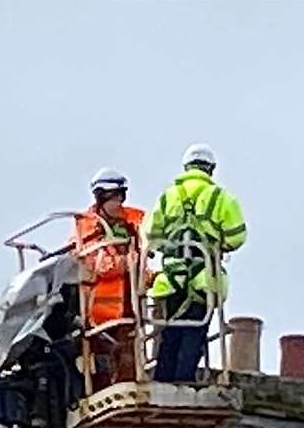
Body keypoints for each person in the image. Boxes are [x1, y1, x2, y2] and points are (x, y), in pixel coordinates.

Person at [145, 144, 247, 383]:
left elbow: (151, 235)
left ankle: (162, 381)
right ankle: (184, 382)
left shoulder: (168, 196)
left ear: (186, 167)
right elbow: (237, 237)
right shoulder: (221, 198)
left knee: (170, 333)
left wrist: (171, 248)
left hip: (171, 278)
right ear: (210, 169)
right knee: (194, 333)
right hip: (204, 278)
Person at [75, 168, 145, 390]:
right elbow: (96, 265)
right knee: (101, 368)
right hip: (99, 313)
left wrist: (149, 276)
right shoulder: (86, 225)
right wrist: (127, 262)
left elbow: (143, 259)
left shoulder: (133, 221)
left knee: (129, 363)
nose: (120, 202)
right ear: (101, 197)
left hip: (129, 306)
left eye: (122, 196)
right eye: (115, 197)